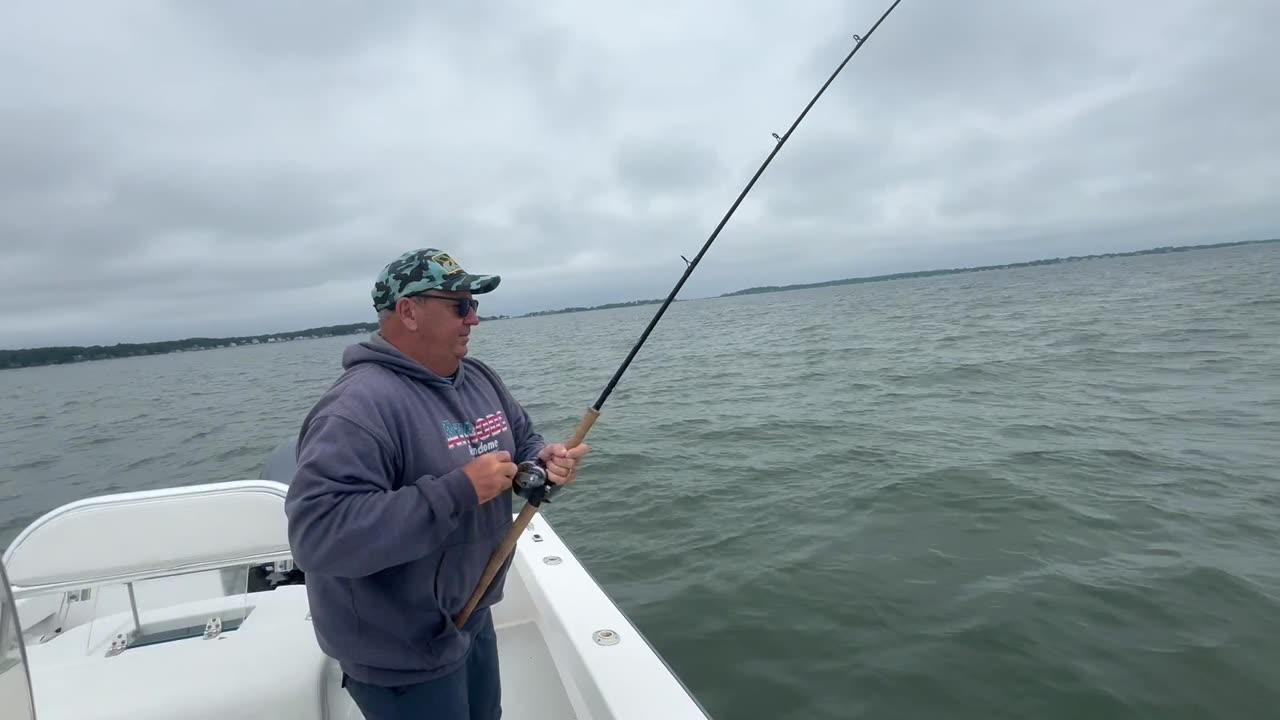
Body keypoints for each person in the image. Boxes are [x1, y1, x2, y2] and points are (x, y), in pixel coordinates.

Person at [283, 247, 589, 719]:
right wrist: (458, 490)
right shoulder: (357, 409)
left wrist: (540, 466)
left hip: (470, 613)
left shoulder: (478, 378)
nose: (474, 319)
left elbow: (523, 438)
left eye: (475, 305)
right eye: (459, 306)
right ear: (408, 311)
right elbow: (318, 538)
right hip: (399, 649)